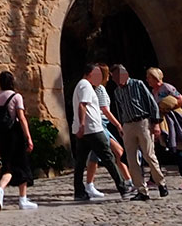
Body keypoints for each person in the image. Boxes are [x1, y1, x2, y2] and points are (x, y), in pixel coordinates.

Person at [108, 65, 165, 199]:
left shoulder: (138, 84)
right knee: (131, 159)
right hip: (128, 125)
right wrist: (121, 126)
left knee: (149, 155)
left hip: (142, 122)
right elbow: (119, 109)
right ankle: (141, 190)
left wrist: (155, 123)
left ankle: (161, 183)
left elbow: (151, 103)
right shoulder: (117, 92)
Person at [70, 65, 124, 203]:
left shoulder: (82, 85)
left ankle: (79, 191)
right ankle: (124, 187)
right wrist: (82, 124)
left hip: (85, 130)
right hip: (92, 129)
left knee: (81, 162)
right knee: (108, 158)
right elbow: (83, 105)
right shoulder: (86, 86)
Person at [0, 71, 38, 211]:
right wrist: (28, 137)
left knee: (8, 166)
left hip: (2, 136)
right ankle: (23, 199)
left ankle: (1, 189)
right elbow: (21, 118)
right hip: (15, 135)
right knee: (22, 165)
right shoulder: (16, 97)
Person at [83, 62, 132, 196]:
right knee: (117, 152)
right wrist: (117, 124)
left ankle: (90, 184)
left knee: (98, 154)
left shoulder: (97, 89)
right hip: (101, 124)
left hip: (100, 123)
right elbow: (104, 109)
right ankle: (127, 181)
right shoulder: (100, 90)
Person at [146, 69, 182, 190]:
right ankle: (154, 179)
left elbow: (181, 100)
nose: (147, 80)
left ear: (155, 78)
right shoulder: (153, 91)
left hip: (171, 122)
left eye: (149, 77)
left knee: (176, 150)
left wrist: (169, 107)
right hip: (161, 122)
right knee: (157, 151)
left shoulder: (167, 87)